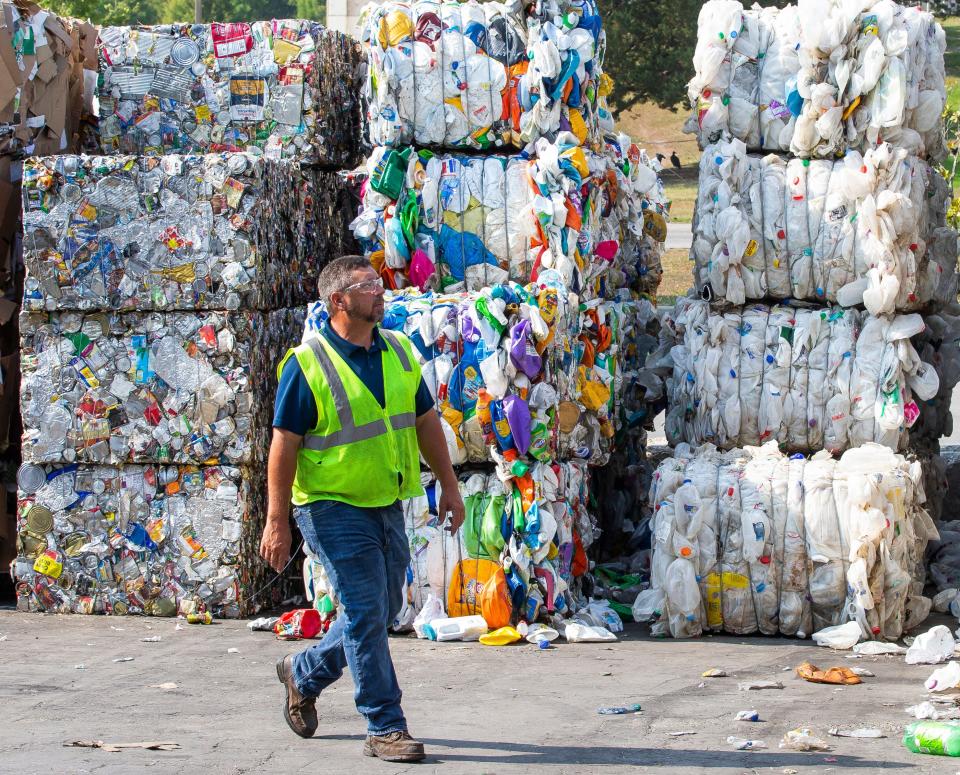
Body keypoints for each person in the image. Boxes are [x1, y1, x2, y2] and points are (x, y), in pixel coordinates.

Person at [260, 255, 465, 763]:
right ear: (338, 301)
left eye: (379, 282)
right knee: (365, 611)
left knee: (379, 610)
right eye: (367, 285)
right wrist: (276, 520)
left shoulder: (397, 350)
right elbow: (283, 444)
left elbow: (425, 422)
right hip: (331, 506)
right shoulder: (307, 365)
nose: (380, 291)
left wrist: (450, 486)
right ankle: (384, 724)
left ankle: (303, 671)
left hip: (386, 501)